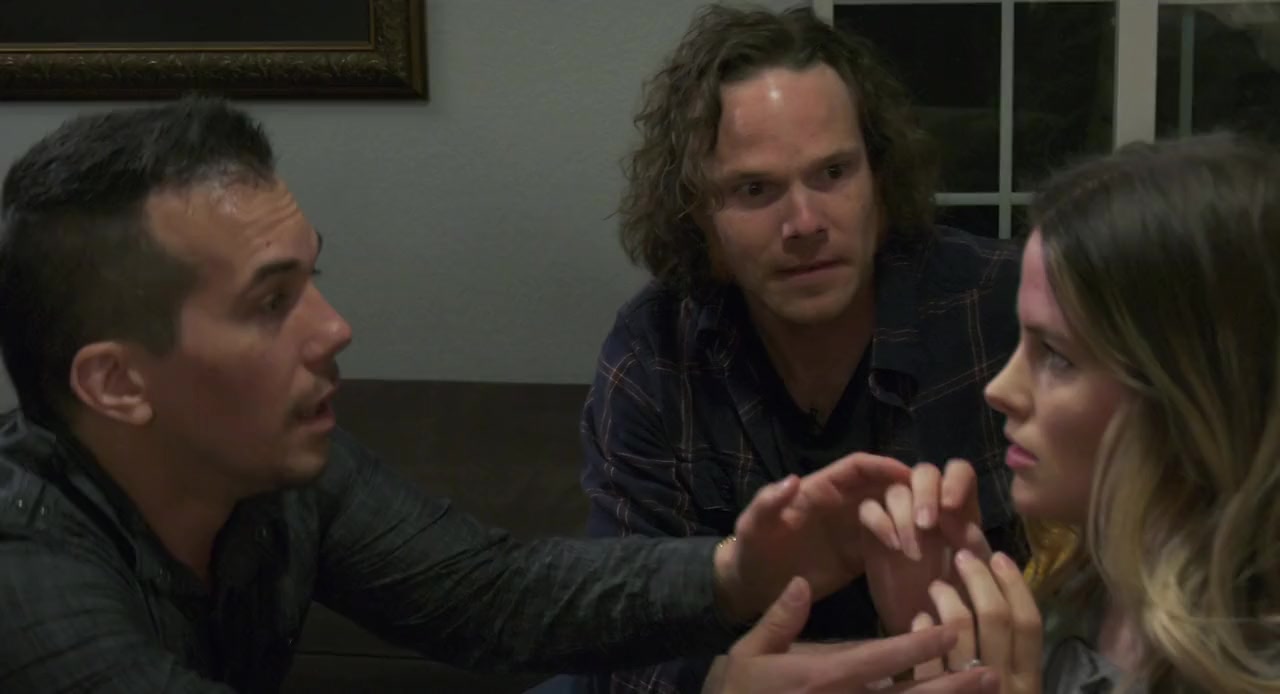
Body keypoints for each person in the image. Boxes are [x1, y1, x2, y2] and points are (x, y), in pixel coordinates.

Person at [0, 97, 1001, 694]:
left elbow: (498, 595)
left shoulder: (277, 472)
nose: (332, 328)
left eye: (313, 278)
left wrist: (741, 569)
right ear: (116, 383)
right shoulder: (28, 582)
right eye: (271, 303)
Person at [577, 5, 1025, 691]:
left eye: (833, 173)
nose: (805, 223)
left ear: (879, 179)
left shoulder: (1002, 309)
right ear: (698, 216)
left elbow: (1118, 588)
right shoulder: (654, 352)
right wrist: (720, 681)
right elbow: (620, 631)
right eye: (755, 189)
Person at [859, 133, 1280, 692]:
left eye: (1056, 355)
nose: (1000, 389)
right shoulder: (1082, 591)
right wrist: (942, 637)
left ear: (1193, 394)